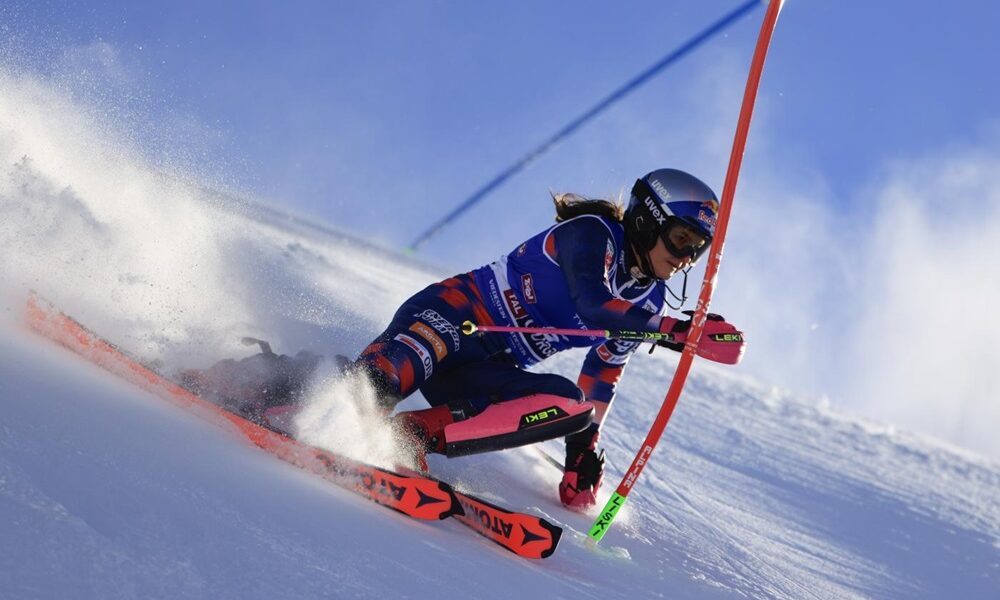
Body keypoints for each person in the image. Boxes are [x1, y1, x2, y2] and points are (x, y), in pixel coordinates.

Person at [348, 167, 745, 509]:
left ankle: (411, 435)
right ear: (648, 219)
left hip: (482, 370)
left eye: (697, 250)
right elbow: (593, 302)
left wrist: (582, 452)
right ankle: (337, 399)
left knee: (571, 406)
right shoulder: (593, 233)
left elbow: (604, 369)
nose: (685, 258)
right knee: (396, 369)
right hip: (454, 316)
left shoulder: (650, 300)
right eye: (681, 239)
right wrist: (674, 330)